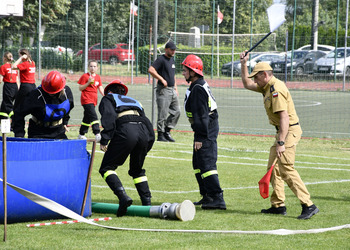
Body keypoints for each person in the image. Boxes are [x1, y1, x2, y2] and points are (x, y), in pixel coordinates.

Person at [240, 50, 319, 220]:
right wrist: (244, 63)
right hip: (282, 132)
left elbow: (284, 117)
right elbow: (246, 84)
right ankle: (278, 205)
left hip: (288, 131)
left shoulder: (276, 89)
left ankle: (308, 204)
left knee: (285, 168)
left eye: (256, 77)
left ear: (264, 75)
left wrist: (281, 142)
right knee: (273, 167)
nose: (254, 80)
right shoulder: (266, 87)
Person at [98, 79, 155, 217]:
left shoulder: (108, 98)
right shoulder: (134, 101)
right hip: (145, 132)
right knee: (137, 170)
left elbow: (109, 117)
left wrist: (105, 139)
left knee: (107, 168)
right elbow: (146, 120)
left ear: (109, 91)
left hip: (126, 129)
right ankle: (147, 203)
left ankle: (123, 197)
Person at [181, 54, 226, 210]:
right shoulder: (196, 85)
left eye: (185, 70)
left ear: (193, 72)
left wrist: (200, 137)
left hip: (205, 130)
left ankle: (217, 198)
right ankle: (206, 195)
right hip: (202, 129)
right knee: (198, 163)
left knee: (206, 163)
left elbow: (201, 115)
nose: (183, 73)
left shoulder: (198, 89)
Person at [12, 70, 74, 139]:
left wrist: (65, 121)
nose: (50, 94)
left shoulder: (67, 93)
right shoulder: (35, 96)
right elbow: (19, 113)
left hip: (59, 131)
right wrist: (19, 134)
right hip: (38, 132)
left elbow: (68, 107)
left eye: (53, 93)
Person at [148, 41, 180, 142]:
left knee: (177, 111)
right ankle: (160, 135)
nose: (173, 51)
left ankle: (167, 131)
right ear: (166, 49)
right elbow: (151, 70)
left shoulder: (172, 60)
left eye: (174, 49)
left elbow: (173, 75)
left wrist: (176, 88)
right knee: (163, 113)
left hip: (172, 89)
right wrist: (161, 79)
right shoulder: (161, 59)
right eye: (171, 49)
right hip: (163, 90)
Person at [77, 60, 104, 142]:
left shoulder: (98, 77)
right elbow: (80, 88)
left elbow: (100, 87)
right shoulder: (85, 76)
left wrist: (105, 95)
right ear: (88, 67)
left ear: (97, 68)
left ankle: (81, 134)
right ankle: (97, 133)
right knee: (93, 115)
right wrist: (88, 83)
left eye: (94, 66)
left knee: (87, 118)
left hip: (94, 100)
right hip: (86, 99)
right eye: (91, 66)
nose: (93, 68)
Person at [0, 51, 19, 120]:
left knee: (8, 106)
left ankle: (15, 119)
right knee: (3, 107)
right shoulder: (14, 67)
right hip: (15, 88)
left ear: (4, 58)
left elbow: (0, 80)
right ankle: (4, 126)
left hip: (8, 87)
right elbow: (17, 80)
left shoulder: (3, 67)